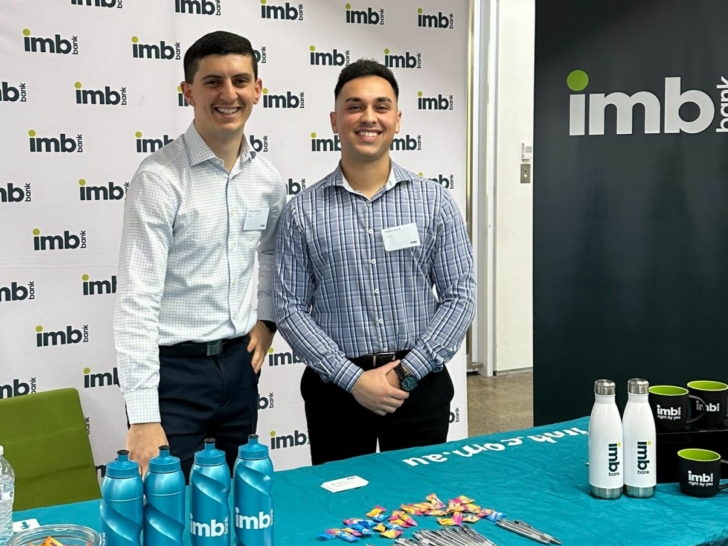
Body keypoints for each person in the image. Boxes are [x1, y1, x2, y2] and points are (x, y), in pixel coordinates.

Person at [275, 59, 475, 466]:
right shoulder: (302, 211)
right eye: (355, 106)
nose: (369, 117)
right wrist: (352, 380)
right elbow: (289, 307)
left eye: (381, 107)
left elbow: (460, 295)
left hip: (420, 386)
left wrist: (406, 373)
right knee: (341, 501)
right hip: (336, 393)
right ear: (335, 120)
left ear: (397, 120)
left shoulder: (434, 202)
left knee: (421, 498)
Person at [114, 30, 285, 479]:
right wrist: (143, 415)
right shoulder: (159, 178)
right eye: (213, 82)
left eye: (240, 81)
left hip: (239, 369)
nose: (228, 94)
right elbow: (136, 298)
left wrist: (267, 321)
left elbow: (271, 255)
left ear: (257, 89)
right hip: (173, 377)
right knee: (170, 506)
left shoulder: (268, 180)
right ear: (188, 91)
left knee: (236, 500)